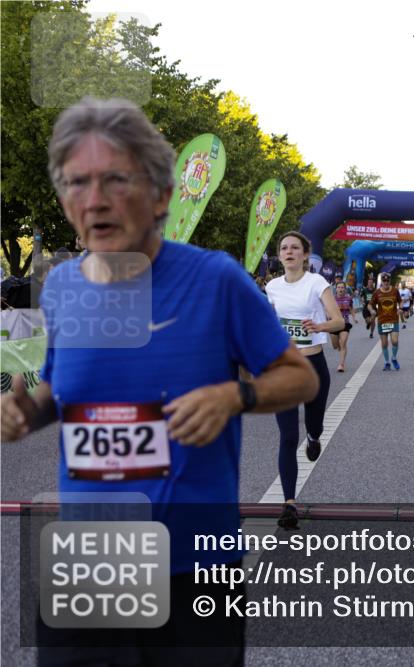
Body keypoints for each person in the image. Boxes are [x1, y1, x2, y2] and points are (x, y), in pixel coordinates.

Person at [0, 96, 319, 664]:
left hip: (194, 566)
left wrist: (235, 394)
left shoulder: (216, 279)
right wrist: (29, 411)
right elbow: (60, 390)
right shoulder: (63, 287)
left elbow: (300, 379)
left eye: (115, 180)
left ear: (162, 196)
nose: (93, 200)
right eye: (76, 183)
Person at [266, 231, 345, 529]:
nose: (289, 252)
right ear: (279, 255)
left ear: (305, 254)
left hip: (313, 364)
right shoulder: (272, 286)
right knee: (287, 437)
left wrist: (319, 326)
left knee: (314, 425)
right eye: (284, 248)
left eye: (294, 248)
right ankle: (289, 504)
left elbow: (339, 321)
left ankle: (314, 437)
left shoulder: (316, 282)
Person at [370, 273, 402, 369]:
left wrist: (400, 308)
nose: (386, 282)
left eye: (388, 280)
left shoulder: (395, 291)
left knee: (395, 341)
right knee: (384, 343)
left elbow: (400, 301)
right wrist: (371, 310)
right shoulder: (377, 293)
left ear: (390, 281)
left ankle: (394, 358)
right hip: (382, 321)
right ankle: (387, 362)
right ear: (381, 282)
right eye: (384, 281)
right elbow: (370, 304)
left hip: (393, 320)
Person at [332, 281, 355, 373]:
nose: (340, 289)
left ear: (345, 289)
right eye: (339, 287)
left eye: (342, 287)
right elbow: (327, 310)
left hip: (345, 323)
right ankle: (339, 346)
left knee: (343, 342)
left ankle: (341, 364)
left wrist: (354, 317)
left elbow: (351, 308)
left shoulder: (348, 299)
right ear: (336, 289)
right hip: (334, 324)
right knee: (335, 345)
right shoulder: (332, 299)